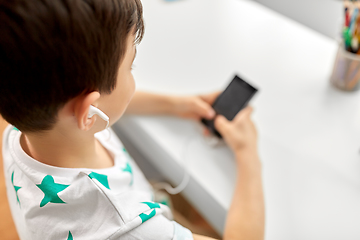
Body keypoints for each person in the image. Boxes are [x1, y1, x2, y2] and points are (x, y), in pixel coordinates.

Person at [0, 0, 264, 239]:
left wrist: (175, 104)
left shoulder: (20, 125)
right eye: (130, 67)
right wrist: (247, 153)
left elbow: (83, 101)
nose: (132, 79)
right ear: (89, 112)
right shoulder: (127, 227)